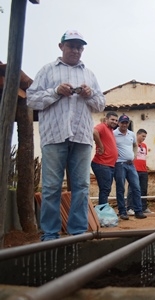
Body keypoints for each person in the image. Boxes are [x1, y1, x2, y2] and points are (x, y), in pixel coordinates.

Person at [26, 30, 106, 241]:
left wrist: (89, 95)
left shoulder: (89, 74)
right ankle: (50, 234)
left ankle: (77, 232)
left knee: (81, 186)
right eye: (71, 46)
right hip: (54, 136)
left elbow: (100, 104)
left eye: (79, 47)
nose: (76, 50)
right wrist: (55, 91)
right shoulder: (47, 71)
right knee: (51, 186)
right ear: (61, 47)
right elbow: (31, 100)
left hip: (81, 137)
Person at [114, 114, 147, 220]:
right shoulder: (114, 134)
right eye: (122, 122)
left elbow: (135, 145)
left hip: (130, 164)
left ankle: (138, 211)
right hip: (119, 164)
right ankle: (122, 212)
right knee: (120, 188)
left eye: (126, 122)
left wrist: (134, 156)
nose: (124, 124)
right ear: (118, 123)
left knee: (136, 187)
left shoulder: (131, 134)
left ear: (128, 124)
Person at [92, 111, 119, 205]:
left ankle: (102, 210)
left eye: (116, 120)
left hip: (109, 165)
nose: (115, 122)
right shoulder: (103, 126)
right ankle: (102, 212)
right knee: (105, 189)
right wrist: (100, 146)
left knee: (106, 189)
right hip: (102, 164)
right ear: (106, 119)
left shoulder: (110, 130)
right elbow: (94, 131)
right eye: (112, 119)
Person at [126, 129, 152, 215]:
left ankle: (143, 207)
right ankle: (130, 207)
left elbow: (144, 157)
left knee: (143, 189)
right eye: (142, 136)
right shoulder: (133, 144)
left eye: (145, 136)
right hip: (134, 169)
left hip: (143, 170)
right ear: (137, 135)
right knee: (132, 189)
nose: (144, 138)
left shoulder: (144, 145)